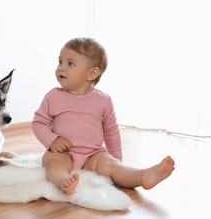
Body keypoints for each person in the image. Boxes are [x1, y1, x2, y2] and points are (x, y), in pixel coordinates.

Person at [32, 37, 175, 195]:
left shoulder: (103, 100)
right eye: (60, 62)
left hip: (93, 154)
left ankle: (142, 176)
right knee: (53, 164)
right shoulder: (53, 97)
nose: (61, 68)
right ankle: (63, 181)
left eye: (70, 63)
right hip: (62, 153)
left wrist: (116, 158)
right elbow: (39, 123)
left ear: (92, 73)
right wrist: (52, 140)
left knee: (112, 166)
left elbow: (111, 131)